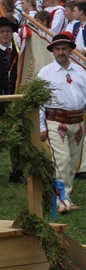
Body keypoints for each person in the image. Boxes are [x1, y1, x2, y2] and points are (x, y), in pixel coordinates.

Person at [38, 32, 86, 213]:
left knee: (72, 162)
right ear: (52, 51)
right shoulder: (45, 73)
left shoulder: (81, 72)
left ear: (70, 51)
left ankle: (64, 193)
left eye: (64, 49)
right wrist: (42, 127)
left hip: (78, 122)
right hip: (55, 121)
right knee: (62, 160)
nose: (61, 52)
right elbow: (39, 104)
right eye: (57, 49)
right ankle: (61, 199)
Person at [0, 17, 24, 184]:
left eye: (8, 31)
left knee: (17, 138)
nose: (5, 34)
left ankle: (17, 172)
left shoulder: (18, 52)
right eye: (2, 31)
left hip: (15, 101)